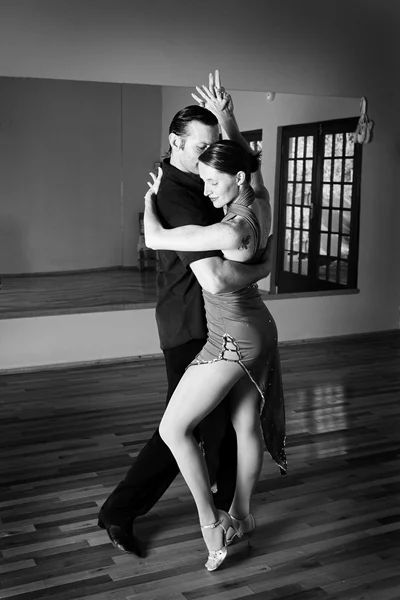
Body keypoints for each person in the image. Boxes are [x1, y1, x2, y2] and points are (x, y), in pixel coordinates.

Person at [97, 71, 274, 558]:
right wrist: (261, 265)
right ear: (176, 144)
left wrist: (228, 121)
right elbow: (215, 278)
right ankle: (122, 510)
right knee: (185, 427)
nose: (209, 158)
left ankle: (231, 513)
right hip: (190, 323)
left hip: (222, 324)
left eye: (214, 147)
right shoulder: (176, 193)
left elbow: (244, 173)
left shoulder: (208, 180)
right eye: (202, 147)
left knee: (219, 425)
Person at [143, 80, 287, 572]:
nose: (206, 191)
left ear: (238, 178)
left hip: (234, 336)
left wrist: (149, 202)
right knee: (245, 424)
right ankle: (243, 516)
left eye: (213, 181)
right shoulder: (260, 197)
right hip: (260, 325)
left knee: (173, 427)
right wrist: (227, 119)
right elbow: (250, 162)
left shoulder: (228, 228)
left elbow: (160, 238)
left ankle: (211, 522)